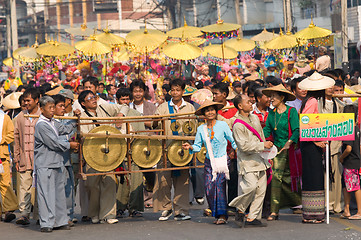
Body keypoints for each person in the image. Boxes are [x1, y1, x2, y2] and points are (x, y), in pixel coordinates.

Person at [78, 90, 129, 224]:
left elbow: (124, 106)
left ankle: (108, 214)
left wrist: (120, 115)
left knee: (109, 183)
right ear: (83, 103)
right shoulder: (81, 116)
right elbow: (81, 134)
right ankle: (94, 213)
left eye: (94, 97)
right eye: (90, 98)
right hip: (92, 154)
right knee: (92, 185)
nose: (94, 100)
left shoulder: (105, 108)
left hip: (109, 152)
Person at [183, 100, 237, 225]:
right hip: (209, 162)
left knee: (219, 187)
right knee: (209, 189)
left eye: (212, 110)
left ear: (216, 111)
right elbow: (197, 146)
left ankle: (222, 215)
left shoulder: (223, 125)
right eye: (207, 110)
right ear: (204, 114)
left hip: (223, 161)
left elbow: (232, 140)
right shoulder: (201, 129)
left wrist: (236, 149)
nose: (210, 112)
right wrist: (190, 147)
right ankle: (216, 213)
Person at [34, 96, 79, 232]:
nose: (52, 110)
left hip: (57, 162)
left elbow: (65, 129)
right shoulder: (41, 125)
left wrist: (75, 119)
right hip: (45, 164)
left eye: (54, 107)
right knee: (46, 195)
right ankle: (47, 222)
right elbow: (53, 142)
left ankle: (61, 220)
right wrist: (69, 145)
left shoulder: (53, 122)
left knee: (59, 194)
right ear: (42, 109)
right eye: (50, 108)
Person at [152, 79, 195, 221]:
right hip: (165, 148)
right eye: (173, 90)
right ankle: (165, 208)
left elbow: (193, 126)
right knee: (163, 179)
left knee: (183, 179)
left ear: (183, 91)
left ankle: (181, 210)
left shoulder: (189, 108)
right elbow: (155, 125)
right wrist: (156, 120)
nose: (175, 93)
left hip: (182, 149)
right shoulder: (163, 107)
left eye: (178, 90)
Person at [230, 94, 273, 227]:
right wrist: (262, 146)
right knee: (251, 187)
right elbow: (242, 146)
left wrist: (266, 151)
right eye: (248, 102)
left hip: (260, 159)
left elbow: (261, 136)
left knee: (261, 190)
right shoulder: (237, 124)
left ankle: (253, 217)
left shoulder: (254, 117)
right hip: (247, 162)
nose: (251, 103)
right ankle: (240, 208)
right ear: (240, 106)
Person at [298, 71, 335, 223]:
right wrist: (316, 142)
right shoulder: (313, 101)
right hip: (310, 145)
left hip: (309, 145)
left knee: (311, 177)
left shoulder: (309, 100)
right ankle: (314, 214)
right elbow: (305, 124)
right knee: (315, 177)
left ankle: (309, 213)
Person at [262, 84, 302, 221]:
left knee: (287, 178)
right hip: (276, 150)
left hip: (289, 149)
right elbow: (267, 130)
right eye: (270, 96)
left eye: (274, 96)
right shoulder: (271, 114)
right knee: (275, 178)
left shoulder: (291, 112)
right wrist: (265, 141)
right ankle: (274, 211)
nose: (271, 99)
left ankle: (298, 202)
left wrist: (289, 142)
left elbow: (296, 129)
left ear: (282, 97)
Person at [14, 88, 41, 225]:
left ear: (37, 101)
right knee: (24, 185)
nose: (26, 103)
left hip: (40, 158)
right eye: (24, 100)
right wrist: (17, 157)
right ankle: (24, 213)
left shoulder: (42, 115)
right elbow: (16, 137)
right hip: (25, 157)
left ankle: (38, 214)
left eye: (28, 100)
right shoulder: (20, 116)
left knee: (39, 187)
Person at [318, 83, 344, 214]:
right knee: (325, 175)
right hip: (322, 144)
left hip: (336, 144)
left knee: (337, 175)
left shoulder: (338, 103)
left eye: (331, 86)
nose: (330, 88)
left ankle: (338, 203)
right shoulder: (318, 102)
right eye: (327, 86)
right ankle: (326, 203)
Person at [52, 94, 77, 226]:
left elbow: (68, 131)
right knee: (55, 190)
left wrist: (75, 119)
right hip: (53, 162)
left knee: (68, 189)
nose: (63, 109)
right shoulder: (48, 123)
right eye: (60, 106)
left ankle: (68, 215)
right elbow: (56, 141)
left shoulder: (64, 120)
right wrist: (69, 144)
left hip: (65, 160)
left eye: (64, 106)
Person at [339, 105, 361, 220]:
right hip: (354, 161)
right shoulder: (356, 128)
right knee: (346, 186)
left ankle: (359, 211)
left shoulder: (349, 129)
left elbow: (348, 148)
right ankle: (346, 210)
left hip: (350, 161)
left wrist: (341, 158)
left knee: (355, 186)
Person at [0, 97, 18, 223]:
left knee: (5, 183)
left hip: (2, 156)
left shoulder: (4, 118)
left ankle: (8, 210)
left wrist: (1, 140)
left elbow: (11, 134)